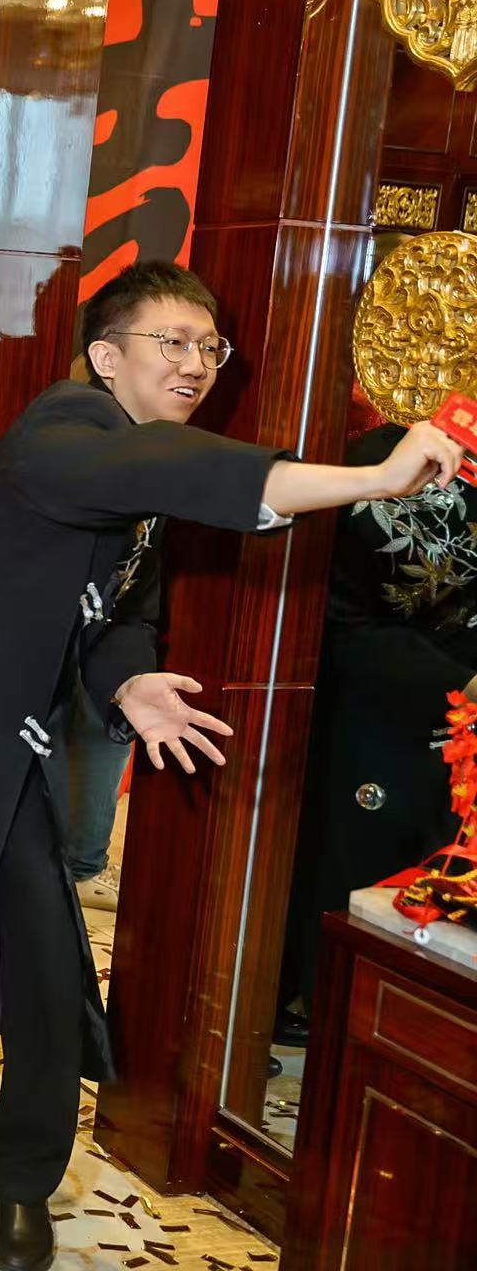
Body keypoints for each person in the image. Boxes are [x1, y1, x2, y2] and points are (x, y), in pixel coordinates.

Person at [0, 260, 467, 1271]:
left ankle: (21, 1186)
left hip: (3, 725)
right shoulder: (65, 427)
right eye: (171, 342)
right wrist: (369, 478)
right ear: (105, 357)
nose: (196, 364)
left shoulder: (136, 470)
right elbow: (178, 470)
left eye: (209, 347)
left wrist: (131, 681)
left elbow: (122, 610)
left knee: (41, 940)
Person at [276, 392, 477, 1048]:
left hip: (458, 719)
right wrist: (459, 683)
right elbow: (342, 616)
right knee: (353, 858)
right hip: (377, 701)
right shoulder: (388, 459)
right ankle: (322, 1007)